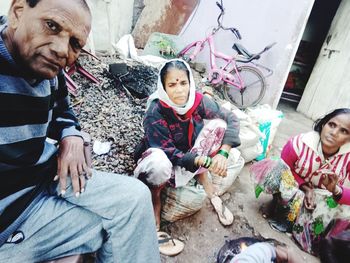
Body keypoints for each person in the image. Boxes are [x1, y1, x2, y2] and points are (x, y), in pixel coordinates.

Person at [0, 1, 160, 262]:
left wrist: (71, 135)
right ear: (18, 12)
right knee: (114, 229)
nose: (62, 50)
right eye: (51, 26)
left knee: (134, 200)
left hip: (44, 180)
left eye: (75, 44)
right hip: (11, 213)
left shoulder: (47, 65)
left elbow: (63, 110)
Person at [133, 59, 241, 254]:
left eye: (183, 83)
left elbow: (231, 117)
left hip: (190, 158)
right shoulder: (156, 111)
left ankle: (204, 179)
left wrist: (224, 153)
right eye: (172, 85)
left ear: (190, 83)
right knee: (159, 162)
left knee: (220, 126)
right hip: (165, 161)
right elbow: (167, 151)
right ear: (164, 87)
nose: (180, 90)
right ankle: (155, 200)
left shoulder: (197, 101)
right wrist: (199, 160)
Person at [251, 108, 350, 255]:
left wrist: (335, 189)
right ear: (323, 125)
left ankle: (301, 224)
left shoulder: (347, 158)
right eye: (332, 125)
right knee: (275, 166)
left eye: (344, 131)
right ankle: (278, 205)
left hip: (320, 199)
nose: (334, 133)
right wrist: (305, 188)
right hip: (294, 188)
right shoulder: (300, 143)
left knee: (344, 213)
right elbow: (284, 167)